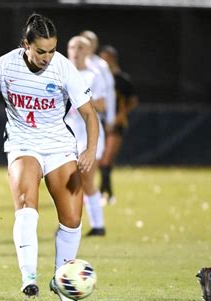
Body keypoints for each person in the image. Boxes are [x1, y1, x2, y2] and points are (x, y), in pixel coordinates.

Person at [0, 13, 99, 301]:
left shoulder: (63, 69)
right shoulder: (5, 66)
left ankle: (62, 282)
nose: (47, 57)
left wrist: (90, 150)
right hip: (22, 144)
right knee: (25, 203)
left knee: (72, 219)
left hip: (59, 147)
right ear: (25, 45)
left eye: (52, 50)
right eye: (41, 51)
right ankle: (29, 276)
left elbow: (89, 115)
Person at [66, 36, 107, 237]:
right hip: (67, 134)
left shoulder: (93, 76)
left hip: (89, 133)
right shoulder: (62, 73)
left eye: (80, 47)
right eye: (72, 47)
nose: (76, 51)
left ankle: (98, 225)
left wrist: (84, 98)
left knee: (87, 179)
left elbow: (102, 105)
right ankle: (70, 222)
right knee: (67, 180)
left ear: (87, 51)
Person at [79, 30, 117, 205]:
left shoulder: (99, 66)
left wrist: (110, 118)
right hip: (73, 122)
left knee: (95, 164)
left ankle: (100, 195)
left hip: (94, 118)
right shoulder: (70, 65)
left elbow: (108, 93)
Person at [98, 45, 138, 205]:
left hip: (116, 123)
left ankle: (102, 194)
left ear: (112, 59)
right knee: (102, 160)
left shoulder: (122, 80)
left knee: (107, 158)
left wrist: (122, 114)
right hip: (101, 122)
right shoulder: (99, 79)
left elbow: (133, 101)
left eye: (105, 58)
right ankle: (108, 193)